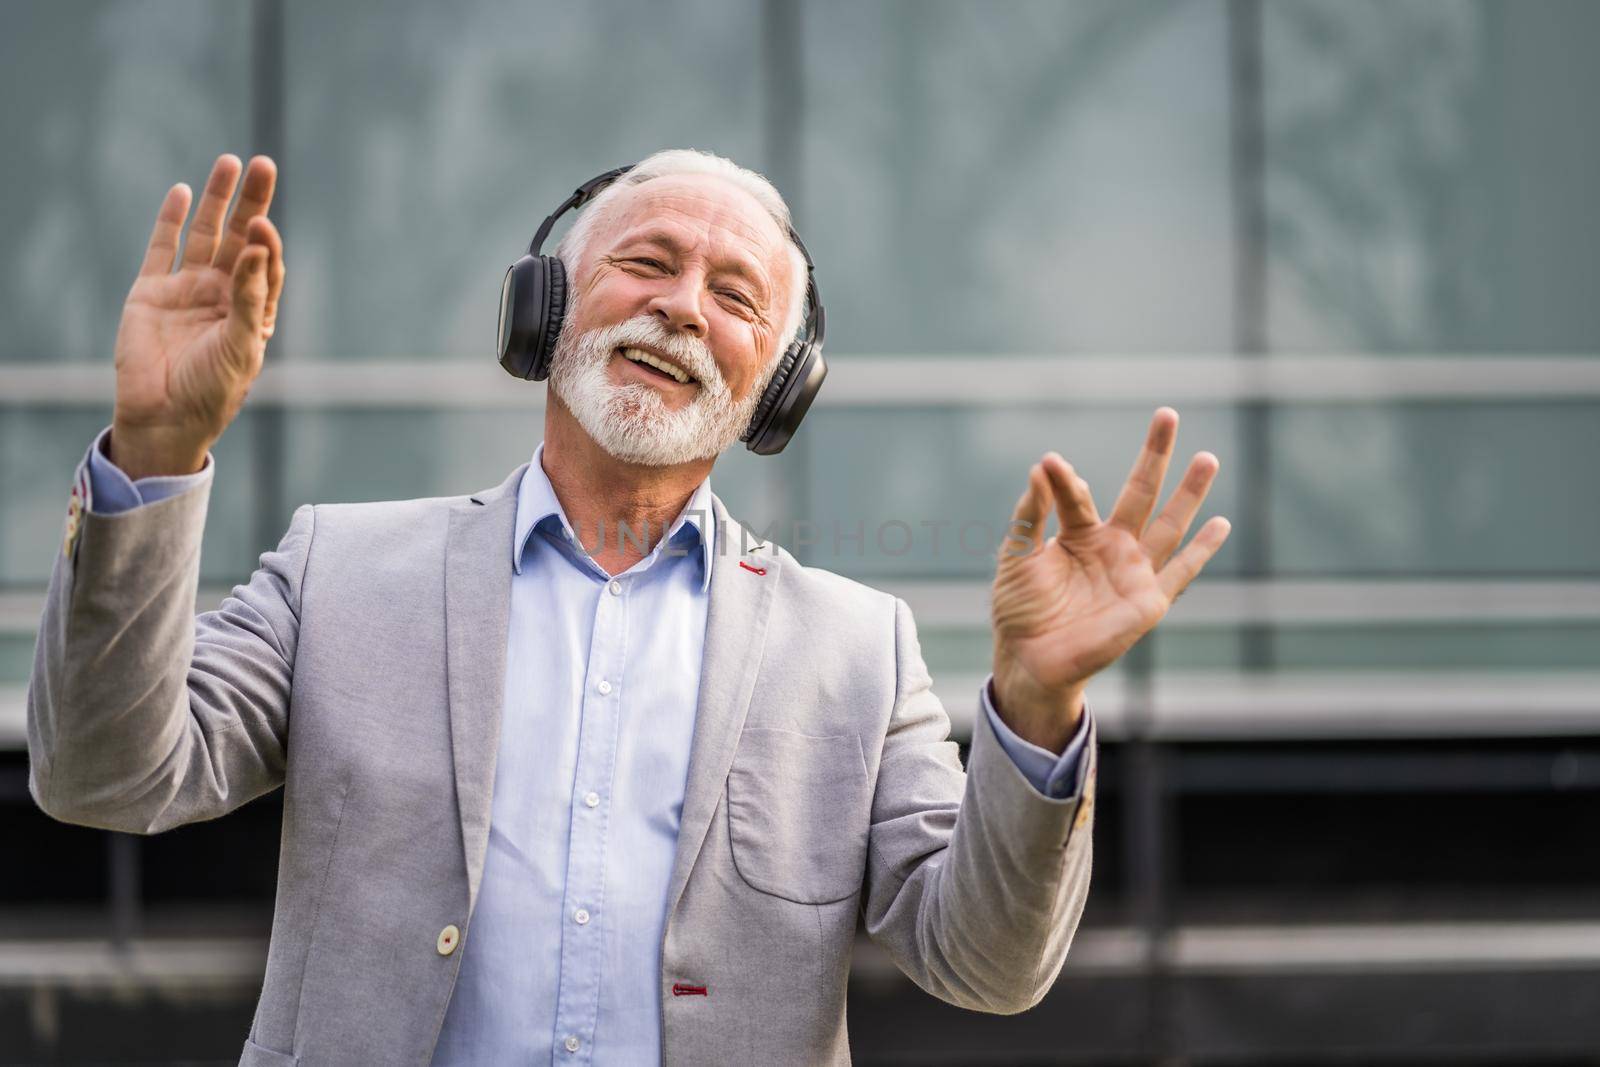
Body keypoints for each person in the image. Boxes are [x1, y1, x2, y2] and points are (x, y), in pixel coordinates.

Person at [26, 148, 1230, 1066]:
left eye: (736, 296)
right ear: (546, 309)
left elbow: (982, 964)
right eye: (646, 262)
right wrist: (157, 451)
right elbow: (105, 777)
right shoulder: (337, 571)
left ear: (778, 388)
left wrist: (1037, 697)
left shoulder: (858, 649)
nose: (682, 307)